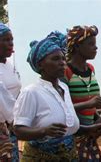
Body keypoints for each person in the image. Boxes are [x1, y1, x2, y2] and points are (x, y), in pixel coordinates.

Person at [13, 31, 82, 161]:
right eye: (55, 59)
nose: (62, 63)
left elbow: (66, 126)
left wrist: (90, 128)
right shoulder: (31, 92)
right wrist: (44, 131)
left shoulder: (64, 88)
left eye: (63, 58)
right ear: (40, 64)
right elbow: (18, 130)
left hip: (69, 155)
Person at [64, 25, 101, 161]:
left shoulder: (90, 69)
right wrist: (90, 103)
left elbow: (92, 105)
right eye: (91, 44)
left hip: (89, 135)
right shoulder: (66, 72)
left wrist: (97, 118)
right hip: (72, 137)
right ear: (77, 47)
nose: (96, 48)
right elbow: (62, 108)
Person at [0, 23, 21, 162]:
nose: (11, 43)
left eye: (11, 39)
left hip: (12, 125)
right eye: (6, 40)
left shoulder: (9, 65)